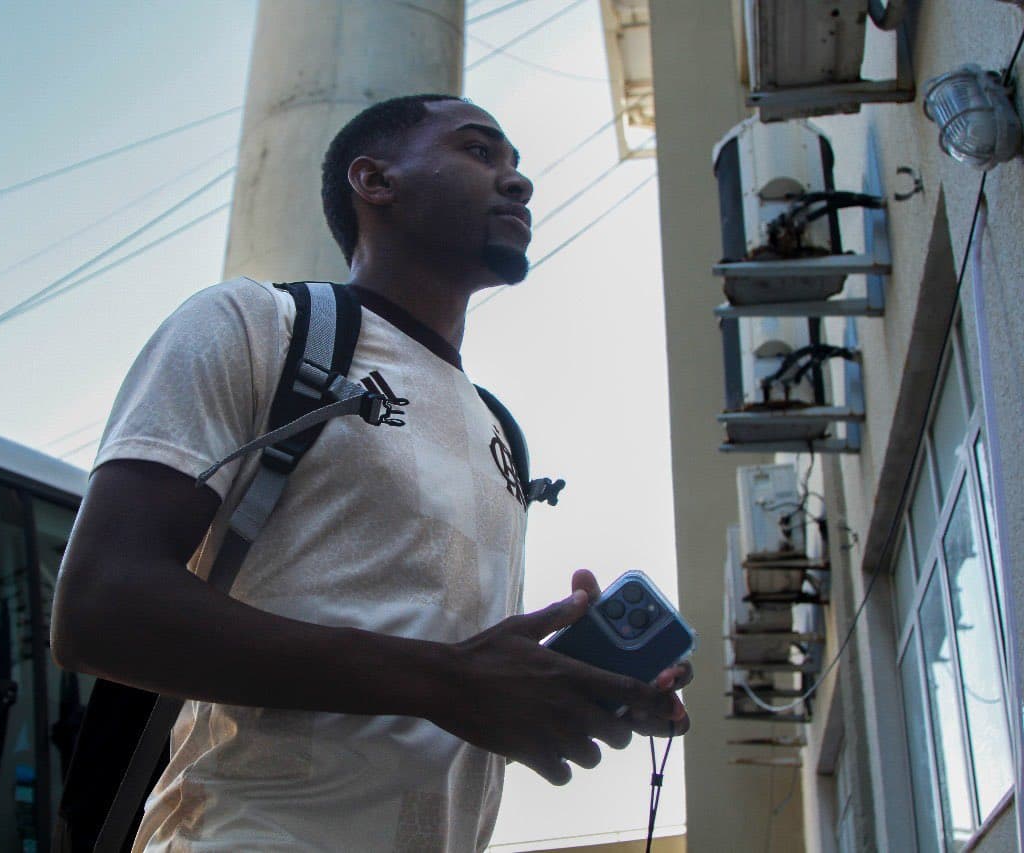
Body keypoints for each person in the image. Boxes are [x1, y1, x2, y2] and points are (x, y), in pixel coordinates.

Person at [50, 94, 691, 852]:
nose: (517, 181)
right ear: (375, 181)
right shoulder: (259, 326)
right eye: (480, 152)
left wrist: (563, 689)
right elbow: (100, 604)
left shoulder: (502, 433)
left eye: (518, 165)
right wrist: (446, 680)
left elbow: (448, 675)